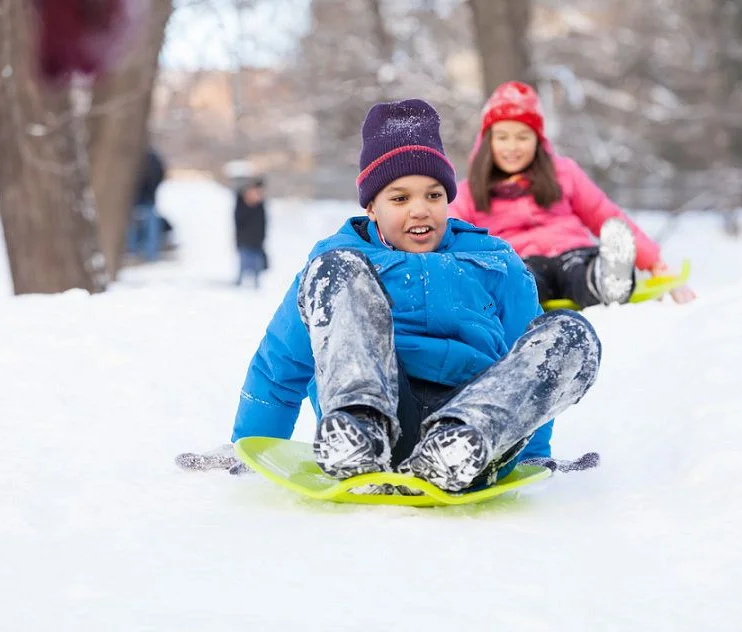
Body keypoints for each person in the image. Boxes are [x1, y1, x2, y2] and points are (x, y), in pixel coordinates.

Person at [212, 98, 603, 494]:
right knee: (335, 269)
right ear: (371, 207)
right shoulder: (338, 264)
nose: (420, 210)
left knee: (571, 334)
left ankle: (457, 445)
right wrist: (248, 445)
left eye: (433, 196)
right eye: (400, 199)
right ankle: (358, 431)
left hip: (475, 426)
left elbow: (527, 361)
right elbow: (281, 363)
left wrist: (533, 450)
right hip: (378, 417)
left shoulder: (495, 260)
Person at [450, 81, 696, 308]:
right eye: (502, 137)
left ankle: (606, 279)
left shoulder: (562, 172)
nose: (512, 147)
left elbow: (604, 214)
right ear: (487, 142)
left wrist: (653, 262)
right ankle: (513, 299)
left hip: (573, 251)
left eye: (523, 137)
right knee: (523, 281)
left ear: (538, 140)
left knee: (581, 272)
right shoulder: (470, 190)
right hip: (519, 261)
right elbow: (448, 230)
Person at [127, 147, 166, 262]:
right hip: (142, 198)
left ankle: (141, 252)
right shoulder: (149, 158)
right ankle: (146, 252)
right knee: (144, 225)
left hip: (144, 197)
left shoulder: (149, 158)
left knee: (141, 225)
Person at [233, 176, 268, 287]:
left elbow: (263, 222)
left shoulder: (260, 205)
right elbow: (239, 220)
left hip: (257, 240)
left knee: (257, 265)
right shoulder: (242, 202)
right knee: (244, 263)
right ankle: (239, 283)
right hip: (244, 239)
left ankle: (256, 283)